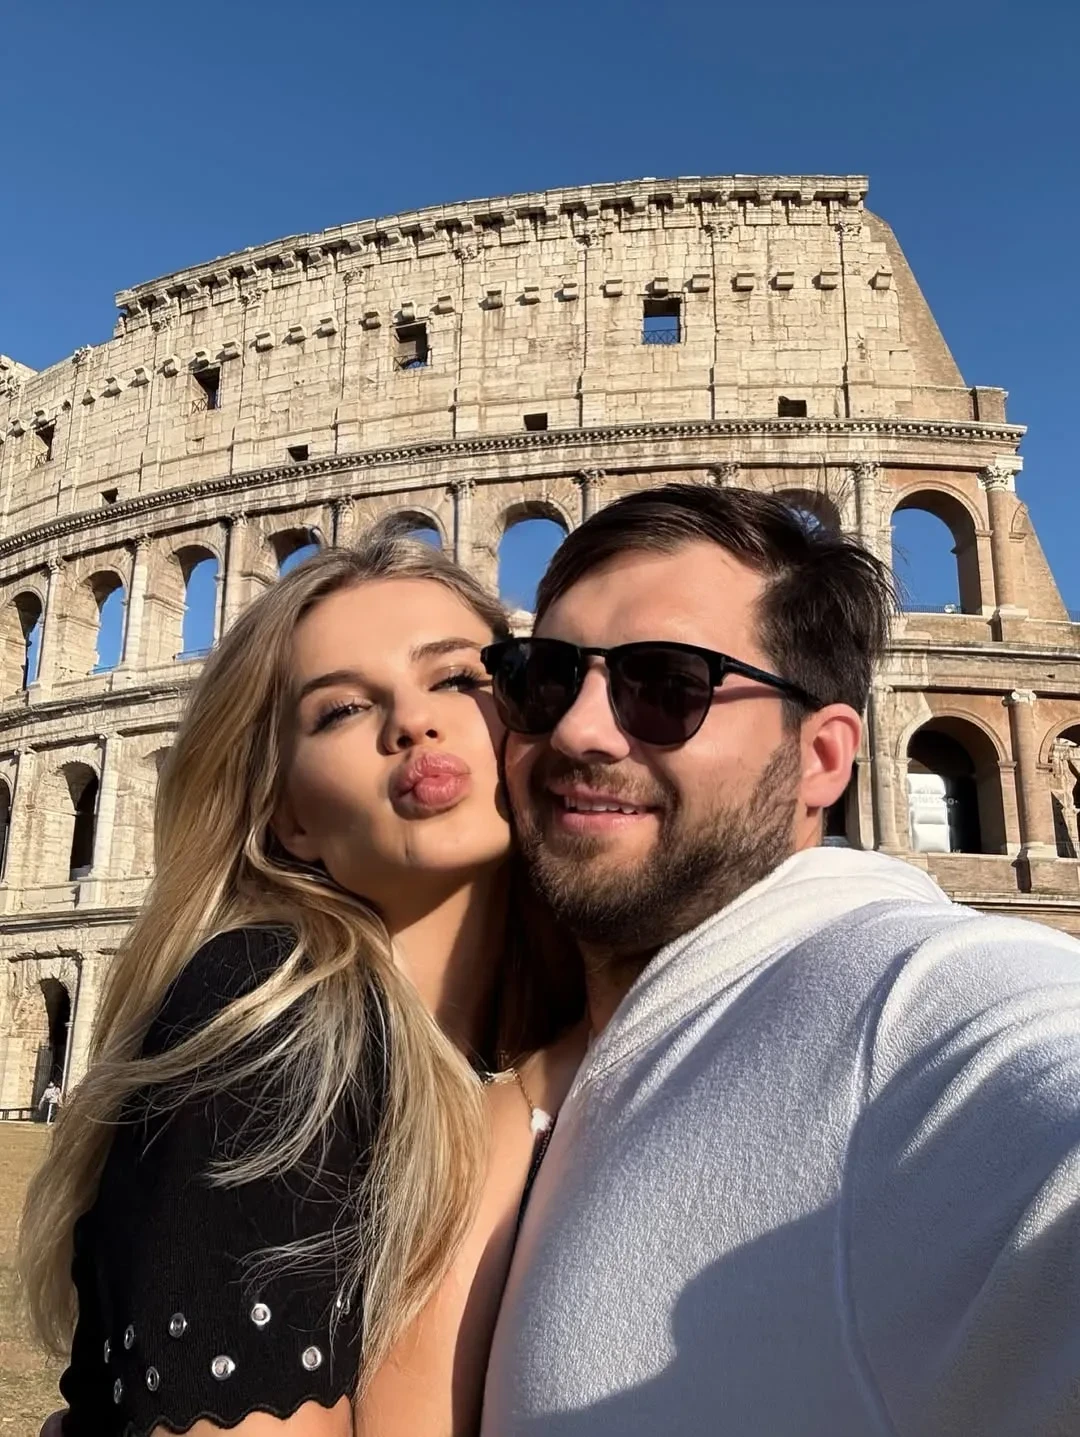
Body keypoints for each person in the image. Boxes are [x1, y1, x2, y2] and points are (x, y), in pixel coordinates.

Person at [480, 483, 1080, 1437]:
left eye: (668, 684)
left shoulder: (915, 1002)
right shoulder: (536, 1054)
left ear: (822, 758)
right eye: (544, 678)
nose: (579, 729)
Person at [19, 536, 584, 1437]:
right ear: (290, 819)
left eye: (455, 679)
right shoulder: (264, 1010)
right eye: (343, 709)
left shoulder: (520, 1047)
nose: (412, 721)